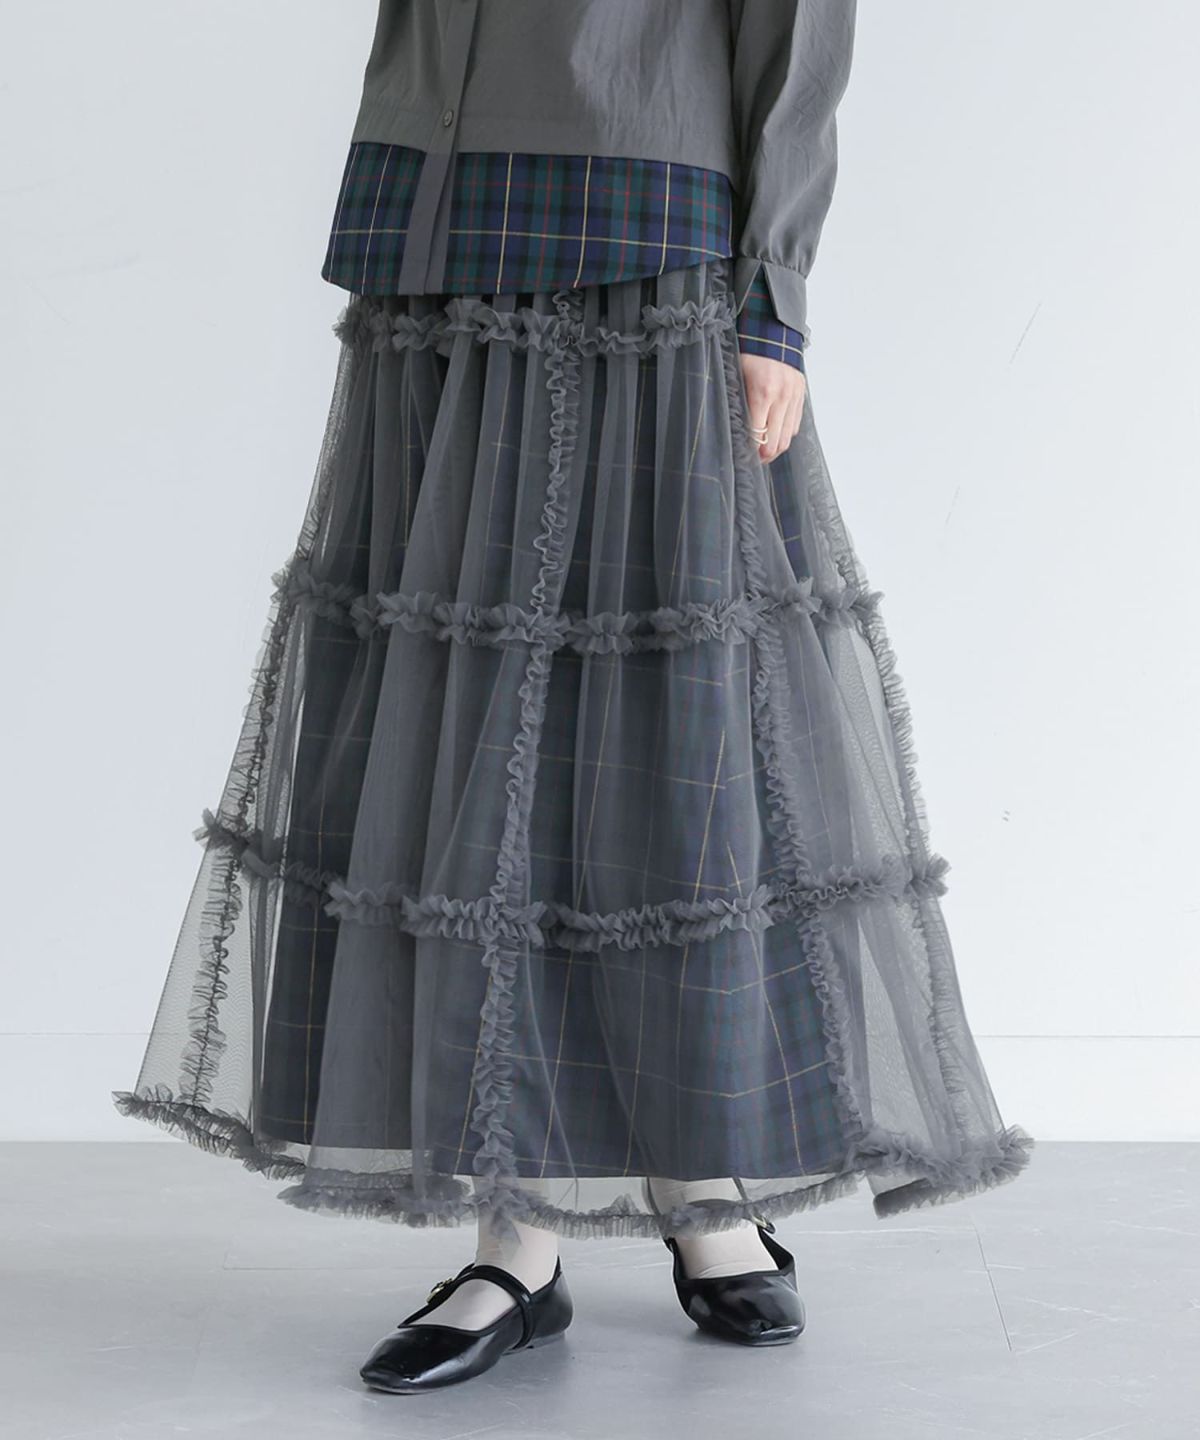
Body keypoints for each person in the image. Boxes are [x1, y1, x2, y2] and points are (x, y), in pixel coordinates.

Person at [114, 0, 1033, 1395]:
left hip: (647, 237)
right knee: (465, 733)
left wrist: (773, 299)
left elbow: (795, 34)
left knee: (676, 728)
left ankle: (700, 1179)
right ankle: (516, 1232)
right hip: (434, 227)